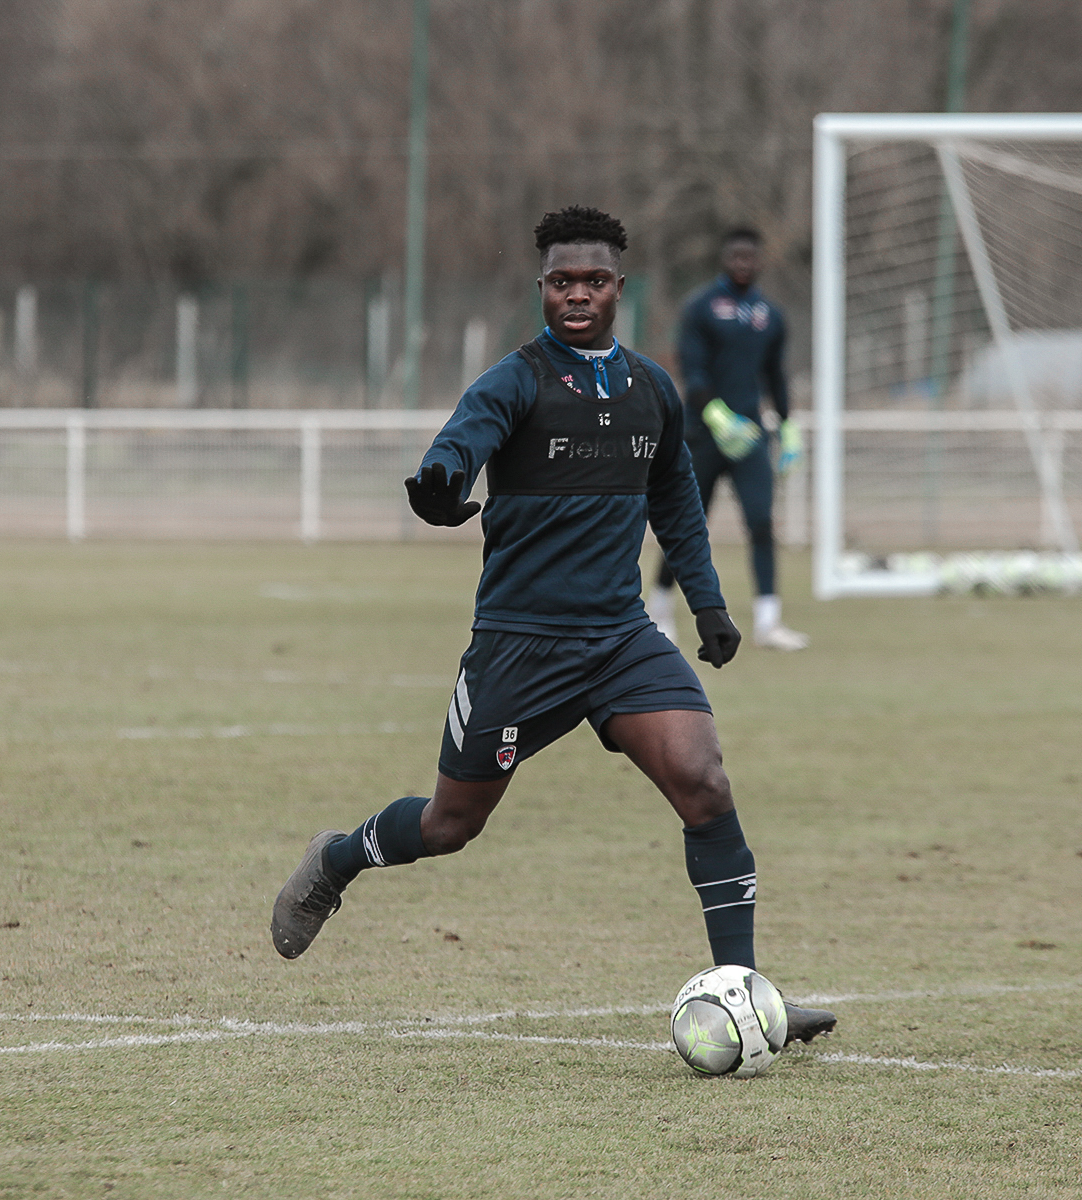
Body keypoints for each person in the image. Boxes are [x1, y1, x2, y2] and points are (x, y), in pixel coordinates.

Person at [269, 206, 835, 1043]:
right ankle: (338, 857)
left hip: (618, 640)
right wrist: (438, 484)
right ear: (542, 288)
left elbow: (675, 498)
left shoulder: (650, 389)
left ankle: (745, 992)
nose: (578, 295)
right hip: (518, 645)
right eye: (562, 282)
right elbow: (462, 443)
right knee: (450, 825)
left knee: (705, 784)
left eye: (594, 282)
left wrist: (708, 604)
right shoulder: (516, 379)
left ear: (619, 289)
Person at [647, 227, 809, 652]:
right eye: (735, 255)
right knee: (687, 524)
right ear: (724, 258)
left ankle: (768, 621)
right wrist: (716, 414)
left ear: (759, 261)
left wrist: (788, 425)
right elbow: (692, 368)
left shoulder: (769, 315)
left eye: (749, 256)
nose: (742, 263)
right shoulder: (701, 307)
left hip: (750, 436)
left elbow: (774, 375)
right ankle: (659, 608)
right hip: (702, 434)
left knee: (760, 521)